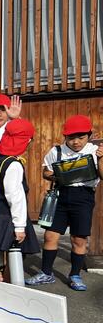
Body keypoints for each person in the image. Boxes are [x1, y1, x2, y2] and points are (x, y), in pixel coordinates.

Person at [27, 115, 103, 290]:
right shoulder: (56, 151)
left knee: (79, 239)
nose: (76, 142)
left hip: (84, 196)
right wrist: (60, 175)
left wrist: (100, 159)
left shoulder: (95, 150)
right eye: (71, 138)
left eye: (81, 137)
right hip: (61, 194)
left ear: (89, 135)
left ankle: (75, 275)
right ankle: (46, 273)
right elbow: (46, 172)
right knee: (50, 236)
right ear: (65, 136)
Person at [0, 119, 40, 276]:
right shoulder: (13, 164)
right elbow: (15, 197)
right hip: (9, 218)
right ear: (27, 141)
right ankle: (7, 287)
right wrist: (20, 226)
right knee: (13, 261)